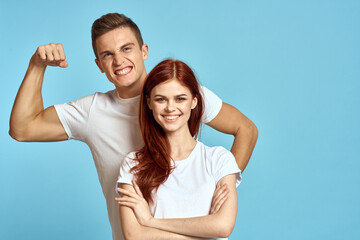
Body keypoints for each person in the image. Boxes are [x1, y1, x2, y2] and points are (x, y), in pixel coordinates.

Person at [9, 13, 257, 240]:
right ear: (98, 65)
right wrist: (36, 66)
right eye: (108, 54)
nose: (119, 61)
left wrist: (221, 189)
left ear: (144, 50)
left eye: (126, 48)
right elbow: (23, 129)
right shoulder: (93, 112)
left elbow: (246, 129)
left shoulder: (180, 94)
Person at [116, 59, 241, 240]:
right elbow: (134, 235)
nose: (170, 108)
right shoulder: (133, 163)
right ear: (149, 103)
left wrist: (151, 222)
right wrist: (205, 229)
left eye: (180, 98)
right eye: (161, 99)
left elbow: (223, 226)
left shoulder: (219, 159)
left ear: (194, 101)